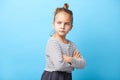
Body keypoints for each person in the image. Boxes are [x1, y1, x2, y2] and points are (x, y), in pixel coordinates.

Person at [41, 3, 85, 80]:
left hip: (67, 77)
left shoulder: (71, 45)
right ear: (53, 24)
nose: (62, 27)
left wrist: (69, 59)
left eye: (67, 24)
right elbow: (59, 66)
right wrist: (73, 65)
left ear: (71, 27)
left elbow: (83, 64)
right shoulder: (52, 42)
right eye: (59, 22)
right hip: (52, 76)